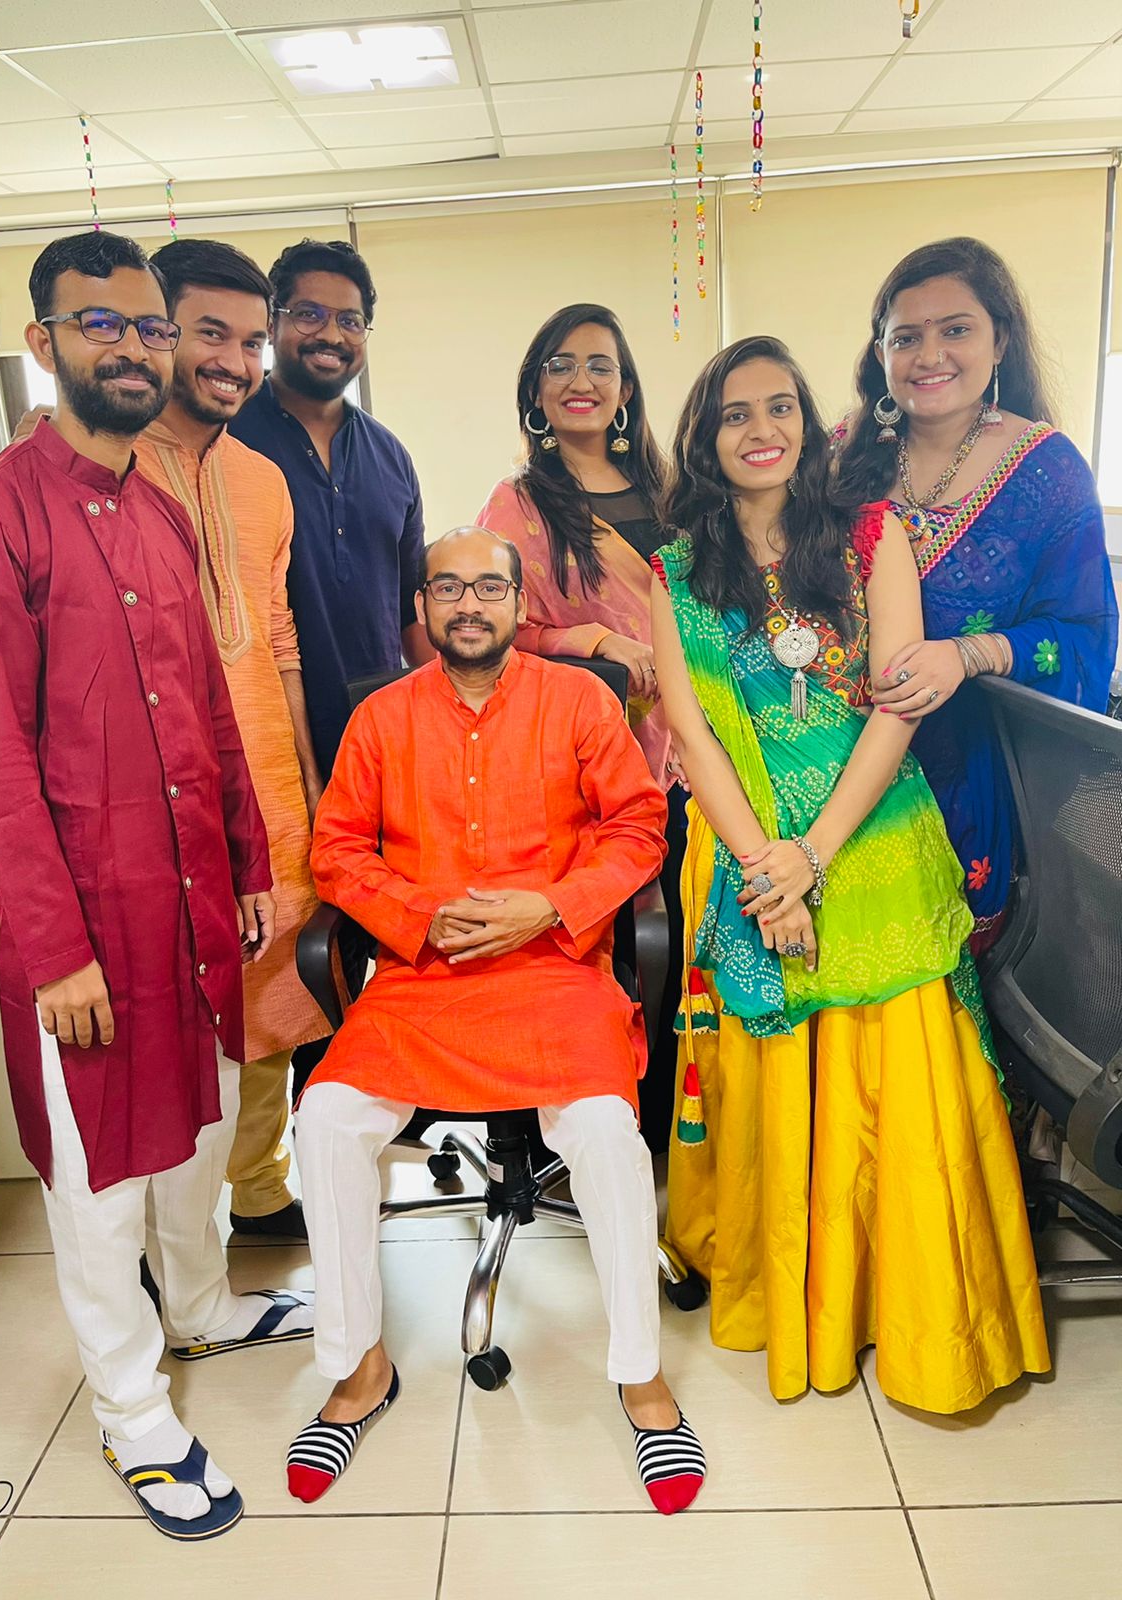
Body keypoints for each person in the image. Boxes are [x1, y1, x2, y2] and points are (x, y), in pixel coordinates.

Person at [0, 231, 312, 1542]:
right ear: (43, 344)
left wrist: (250, 860)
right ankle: (132, 1411)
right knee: (99, 1185)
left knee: (199, 1127)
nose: (134, 348)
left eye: (149, 325)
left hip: (194, 895)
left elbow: (206, 702)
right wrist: (56, 950)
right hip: (86, 923)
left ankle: (200, 1309)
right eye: (102, 324)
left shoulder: (159, 508)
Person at [651, 335, 1049, 1413]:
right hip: (751, 848)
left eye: (780, 406)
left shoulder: (872, 534)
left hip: (871, 835)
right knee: (787, 1080)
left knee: (896, 1099)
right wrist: (763, 865)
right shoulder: (679, 572)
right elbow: (693, 734)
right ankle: (802, 1300)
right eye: (735, 413)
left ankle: (906, 1316)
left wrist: (811, 857)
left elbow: (896, 707)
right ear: (704, 437)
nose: (762, 430)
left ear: (809, 420)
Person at [286, 525, 707, 1516]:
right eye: (448, 588)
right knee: (327, 1119)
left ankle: (642, 1380)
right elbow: (336, 851)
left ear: (521, 605)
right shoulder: (382, 718)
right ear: (423, 607)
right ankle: (358, 1369)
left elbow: (638, 826)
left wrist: (549, 906)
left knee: (603, 1132)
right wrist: (418, 916)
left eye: (488, 587)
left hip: (555, 970)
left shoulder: (581, 702)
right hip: (419, 980)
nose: (468, 604)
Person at [832, 236, 1118, 952]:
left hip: (972, 773)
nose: (929, 356)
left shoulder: (1047, 469)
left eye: (955, 329)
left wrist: (969, 654)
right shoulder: (839, 455)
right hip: (833, 763)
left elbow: (1085, 633)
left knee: (946, 988)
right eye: (906, 337)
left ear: (1000, 341)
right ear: (880, 352)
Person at [138, 236, 330, 1240]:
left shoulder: (261, 479)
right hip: (158, 796)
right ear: (155, 332)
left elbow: (279, 636)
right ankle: (154, 1230)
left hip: (268, 788)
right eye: (210, 334)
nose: (236, 361)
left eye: (252, 342)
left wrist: (304, 778)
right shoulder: (107, 468)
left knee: (271, 996)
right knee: (167, 1010)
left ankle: (257, 1186)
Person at [477, 303, 682, 1148]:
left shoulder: (676, 493)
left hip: (702, 749)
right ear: (536, 390)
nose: (580, 381)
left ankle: (673, 1137)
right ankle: (583, 1127)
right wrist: (596, 639)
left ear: (626, 389)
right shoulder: (519, 503)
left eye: (600, 365)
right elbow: (496, 627)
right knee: (602, 941)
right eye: (559, 365)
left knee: (686, 941)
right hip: (583, 760)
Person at [228, 237, 433, 783]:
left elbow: (410, 616)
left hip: (381, 737)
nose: (332, 335)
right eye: (308, 314)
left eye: (350, 320)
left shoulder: (391, 457)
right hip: (265, 741)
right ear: (272, 323)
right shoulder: (228, 437)